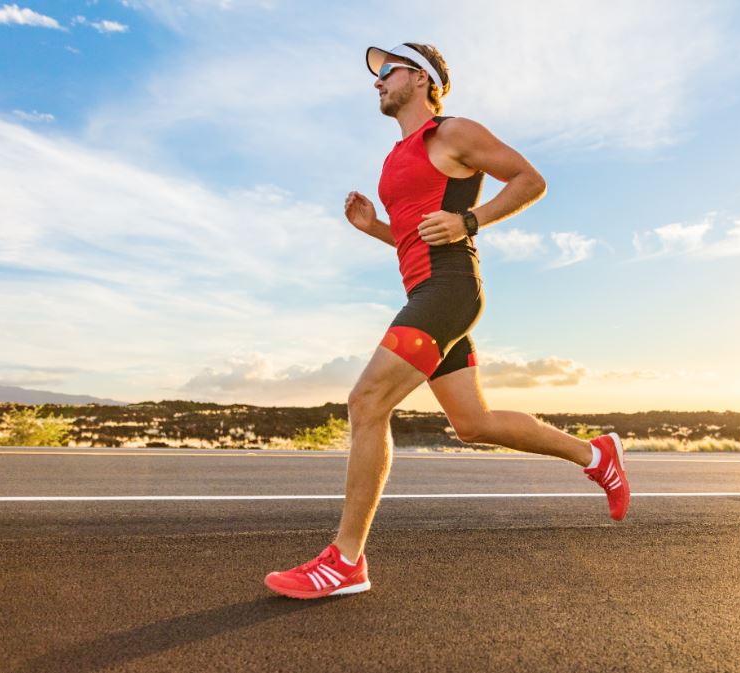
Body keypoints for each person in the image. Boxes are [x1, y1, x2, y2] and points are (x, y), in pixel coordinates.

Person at [264, 42, 629, 600]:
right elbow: (415, 236)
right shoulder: (395, 158)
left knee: (366, 403)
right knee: (473, 424)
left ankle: (346, 561)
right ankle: (594, 453)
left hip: (450, 290)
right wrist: (375, 230)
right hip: (427, 290)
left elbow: (530, 180)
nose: (377, 82)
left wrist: (470, 219)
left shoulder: (453, 132)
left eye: (387, 71)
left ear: (420, 78)